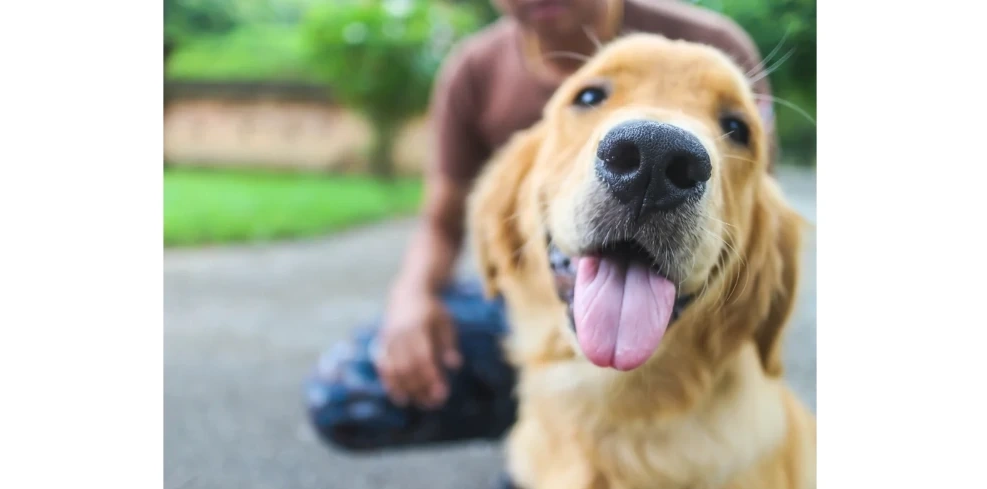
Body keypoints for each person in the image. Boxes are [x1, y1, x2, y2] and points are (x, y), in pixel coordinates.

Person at [305, 0, 779, 452]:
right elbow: (441, 221)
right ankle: (546, 437)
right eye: (590, 98)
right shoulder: (473, 69)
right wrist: (410, 299)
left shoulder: (717, 43)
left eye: (733, 127)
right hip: (525, 300)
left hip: (693, 322)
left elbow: (758, 210)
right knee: (348, 393)